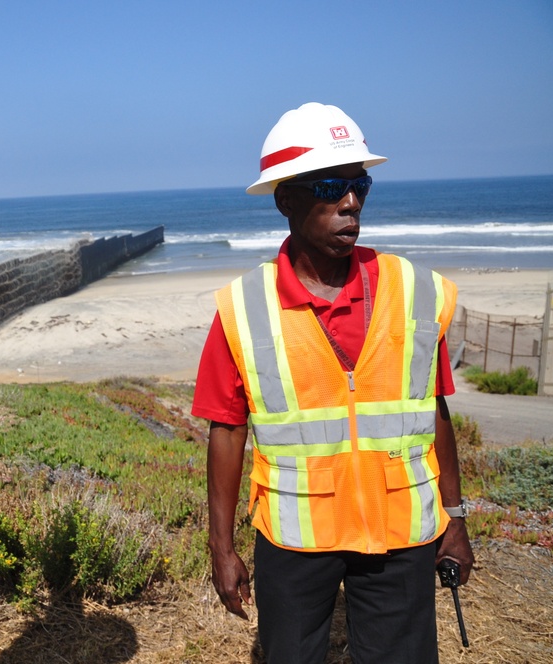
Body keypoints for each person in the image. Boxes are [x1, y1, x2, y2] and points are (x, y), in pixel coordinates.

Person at [193, 102, 474, 663]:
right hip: (296, 540)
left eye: (359, 185)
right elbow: (226, 430)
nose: (351, 203)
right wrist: (221, 547)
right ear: (286, 200)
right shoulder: (245, 310)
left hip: (402, 534)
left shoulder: (413, 292)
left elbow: (434, 410)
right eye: (329, 186)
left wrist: (455, 518)